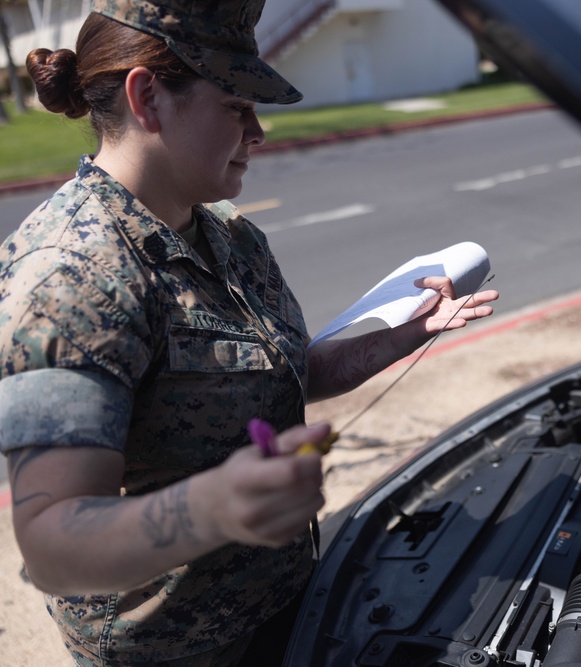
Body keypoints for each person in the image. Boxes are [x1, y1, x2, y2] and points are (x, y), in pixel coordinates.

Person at [0, 1, 499, 665]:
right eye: (236, 106)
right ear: (148, 96)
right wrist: (214, 508)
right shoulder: (70, 275)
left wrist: (398, 335)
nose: (259, 131)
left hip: (282, 607)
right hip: (176, 650)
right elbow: (54, 543)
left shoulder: (226, 232)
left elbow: (271, 379)